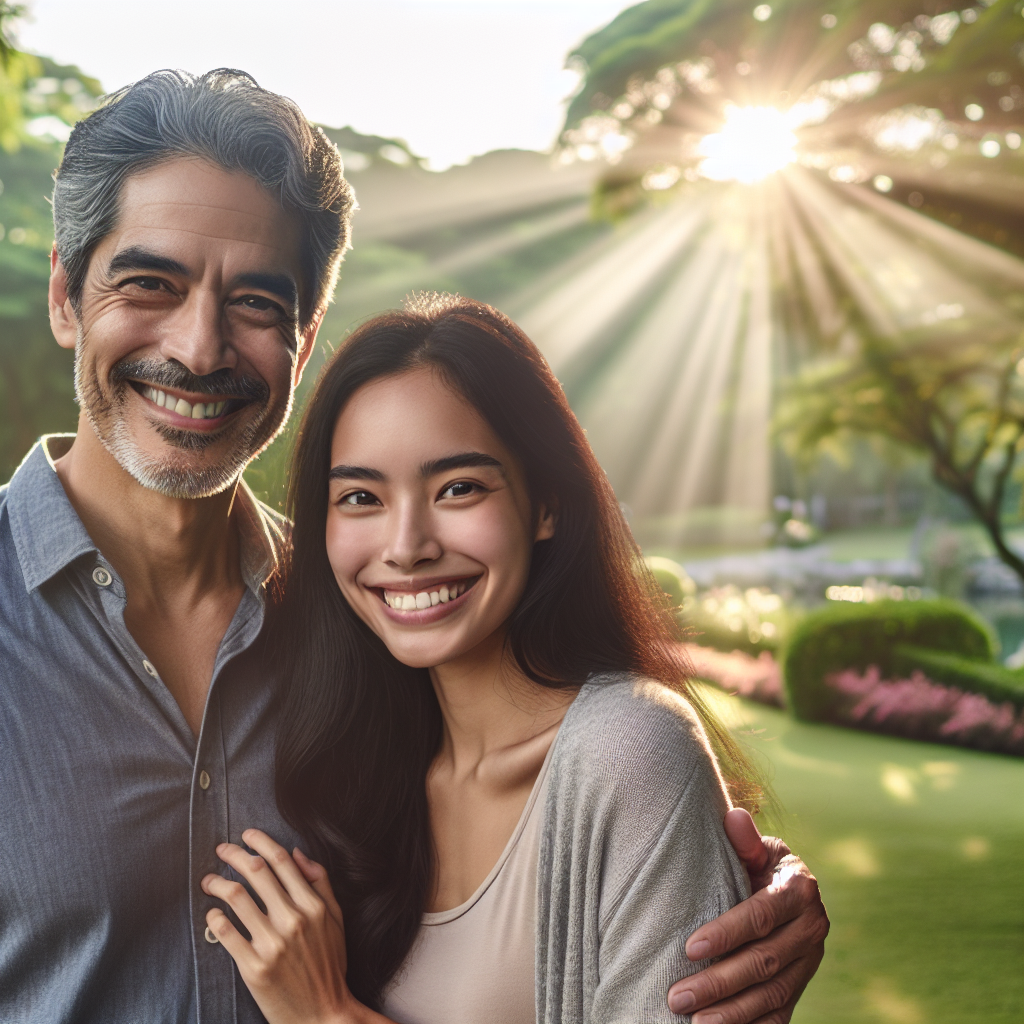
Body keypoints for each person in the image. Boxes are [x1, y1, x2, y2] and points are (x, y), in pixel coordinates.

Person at [0, 69, 826, 1023]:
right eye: (150, 283)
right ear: (67, 296)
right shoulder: (382, 621)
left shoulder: (367, 626)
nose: (198, 348)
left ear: (302, 344)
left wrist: (736, 890)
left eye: (257, 304)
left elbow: (574, 809)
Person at [198, 294, 825, 1024]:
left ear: (547, 503)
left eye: (458, 488)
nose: (406, 546)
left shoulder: (629, 752)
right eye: (362, 496)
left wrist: (328, 1017)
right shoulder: (363, 766)